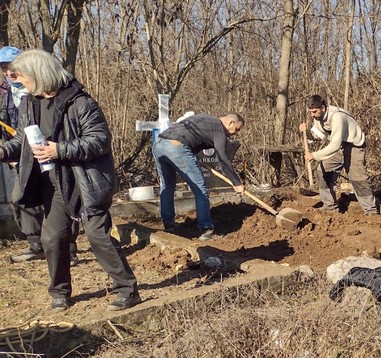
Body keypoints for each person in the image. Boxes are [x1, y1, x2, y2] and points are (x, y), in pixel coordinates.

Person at [0, 49, 140, 311]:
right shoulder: (29, 103)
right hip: (53, 184)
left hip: (85, 181)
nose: (19, 82)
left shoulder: (80, 103)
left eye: (23, 77)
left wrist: (59, 150)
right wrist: (4, 151)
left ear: (38, 74)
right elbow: (23, 140)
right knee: (52, 239)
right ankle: (60, 292)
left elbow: (99, 141)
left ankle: (127, 289)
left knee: (98, 237)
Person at [0, 45, 79, 265]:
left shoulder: (51, 91)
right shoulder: (6, 94)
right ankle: (36, 244)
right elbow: (17, 132)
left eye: (11, 68)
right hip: (22, 153)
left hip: (54, 153)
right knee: (21, 197)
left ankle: (68, 248)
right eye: (4, 69)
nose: (9, 73)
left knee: (61, 198)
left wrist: (58, 149)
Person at [152, 112, 245, 240]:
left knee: (167, 186)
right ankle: (206, 228)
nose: (236, 133)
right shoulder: (218, 129)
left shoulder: (203, 118)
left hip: (159, 144)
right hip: (176, 147)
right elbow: (222, 158)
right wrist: (236, 182)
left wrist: (190, 153)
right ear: (231, 123)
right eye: (237, 129)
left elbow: (192, 136)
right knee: (200, 188)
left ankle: (169, 225)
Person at [298, 95, 377, 215]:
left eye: (314, 112)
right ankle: (329, 206)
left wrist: (314, 155)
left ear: (323, 107)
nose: (312, 115)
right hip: (339, 147)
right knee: (323, 171)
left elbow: (334, 145)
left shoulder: (337, 117)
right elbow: (318, 136)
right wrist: (307, 132)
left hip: (354, 145)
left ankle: (371, 211)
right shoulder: (317, 118)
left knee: (357, 178)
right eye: (310, 112)